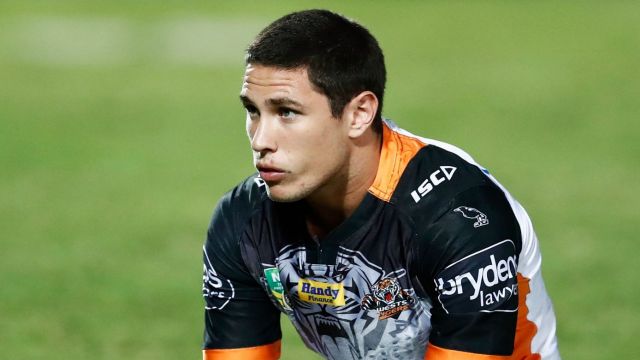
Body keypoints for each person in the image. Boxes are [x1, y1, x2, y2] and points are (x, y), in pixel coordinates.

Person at [202, 9, 560, 360]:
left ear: (359, 114)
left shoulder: (456, 213)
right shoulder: (244, 220)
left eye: (287, 112)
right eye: (253, 111)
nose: (260, 139)